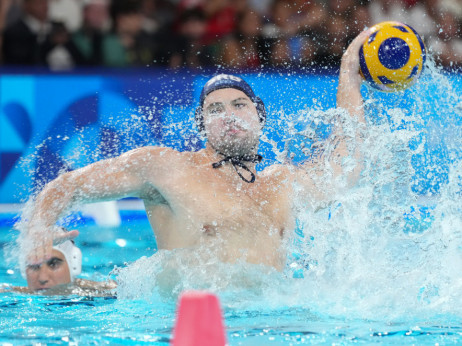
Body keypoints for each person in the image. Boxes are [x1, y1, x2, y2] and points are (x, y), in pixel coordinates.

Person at [23, 28, 372, 272]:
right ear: (202, 125)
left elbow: (347, 161)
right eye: (215, 110)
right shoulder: (167, 168)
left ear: (259, 116)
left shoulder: (282, 183)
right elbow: (68, 184)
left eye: (239, 105)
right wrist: (40, 227)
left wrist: (349, 73)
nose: (229, 117)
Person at [1, 229, 116, 296]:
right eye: (34, 266)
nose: (43, 278)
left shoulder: (107, 293)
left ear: (73, 265)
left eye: (53, 264)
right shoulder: (10, 294)